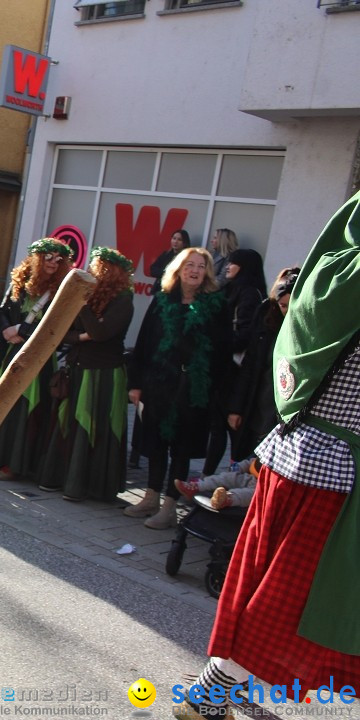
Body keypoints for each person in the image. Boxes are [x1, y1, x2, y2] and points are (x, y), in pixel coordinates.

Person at [171, 190, 360, 720]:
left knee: (265, 587)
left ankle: (212, 693)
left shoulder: (332, 271)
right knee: (283, 599)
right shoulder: (351, 279)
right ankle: (210, 694)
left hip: (301, 454)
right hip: (332, 471)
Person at [126, 247, 230, 529]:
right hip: (158, 385)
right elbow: (144, 343)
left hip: (192, 390)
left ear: (207, 272)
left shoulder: (215, 306)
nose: (194, 270)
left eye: (200, 266)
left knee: (181, 449)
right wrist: (135, 384)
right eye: (189, 265)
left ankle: (170, 506)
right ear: (179, 269)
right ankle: (150, 497)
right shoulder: (161, 301)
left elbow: (222, 353)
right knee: (156, 443)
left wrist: (215, 391)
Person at [38, 246, 135, 501]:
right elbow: (63, 332)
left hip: (103, 375)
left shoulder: (123, 300)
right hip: (77, 369)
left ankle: (86, 487)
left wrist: (82, 306)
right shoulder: (89, 296)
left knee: (91, 427)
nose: (92, 270)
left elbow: (102, 334)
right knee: (66, 424)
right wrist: (82, 335)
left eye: (97, 266)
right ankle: (58, 478)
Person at [0, 238, 72, 481]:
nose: (53, 262)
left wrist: (21, 331)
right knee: (1, 404)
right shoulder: (19, 282)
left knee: (24, 411)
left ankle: (15, 463)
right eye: (48, 257)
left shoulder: (61, 291)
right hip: (11, 353)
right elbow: (1, 310)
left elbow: (56, 327)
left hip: (38, 359)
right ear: (36, 258)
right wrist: (6, 330)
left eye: (58, 259)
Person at [204, 247, 268, 475]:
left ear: (245, 266)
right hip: (226, 371)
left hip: (234, 373)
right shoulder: (232, 289)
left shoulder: (249, 293)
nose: (228, 266)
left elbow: (243, 335)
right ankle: (209, 476)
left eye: (234, 262)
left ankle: (226, 478)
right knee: (218, 429)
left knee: (231, 428)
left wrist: (217, 344)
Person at [226, 267, 298, 461]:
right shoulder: (267, 318)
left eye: (293, 305)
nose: (288, 311)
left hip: (281, 415)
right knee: (245, 464)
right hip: (257, 407)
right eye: (283, 305)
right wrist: (236, 408)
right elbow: (250, 365)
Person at [175, 456, 260, 510]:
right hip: (250, 478)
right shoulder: (267, 451)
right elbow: (252, 461)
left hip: (263, 488)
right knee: (226, 477)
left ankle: (227, 499)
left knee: (250, 495)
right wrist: (240, 467)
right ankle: (196, 487)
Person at [149, 229, 191, 295]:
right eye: (174, 238)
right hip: (158, 290)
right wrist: (165, 273)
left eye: (179, 240)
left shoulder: (187, 259)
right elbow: (153, 269)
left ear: (185, 243)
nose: (175, 241)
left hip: (173, 293)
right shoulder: (166, 254)